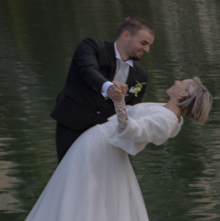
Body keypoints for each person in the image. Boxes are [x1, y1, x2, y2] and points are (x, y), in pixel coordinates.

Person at [14, 78, 214, 221]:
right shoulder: (165, 111)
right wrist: (121, 97)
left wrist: (119, 102)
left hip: (101, 149)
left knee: (84, 199)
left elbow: (130, 129)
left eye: (182, 82)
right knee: (84, 199)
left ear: (183, 95)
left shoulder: (168, 118)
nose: (176, 81)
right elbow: (131, 120)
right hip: (101, 147)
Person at [51, 18, 154, 161]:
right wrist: (109, 87)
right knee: (68, 172)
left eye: (149, 45)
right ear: (126, 36)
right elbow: (88, 70)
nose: (147, 49)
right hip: (72, 122)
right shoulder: (92, 47)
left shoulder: (140, 77)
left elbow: (133, 109)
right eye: (143, 43)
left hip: (105, 134)